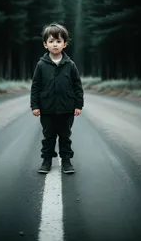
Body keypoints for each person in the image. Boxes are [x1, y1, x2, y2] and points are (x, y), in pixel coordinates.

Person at [30, 23, 84, 174]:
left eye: (58, 41)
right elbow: (35, 87)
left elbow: (77, 86)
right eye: (51, 41)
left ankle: (66, 161)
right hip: (47, 109)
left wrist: (78, 105)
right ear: (45, 44)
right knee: (48, 137)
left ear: (64, 44)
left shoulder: (70, 65)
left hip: (67, 109)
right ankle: (46, 161)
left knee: (65, 136)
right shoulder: (41, 65)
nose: (55, 44)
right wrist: (35, 106)